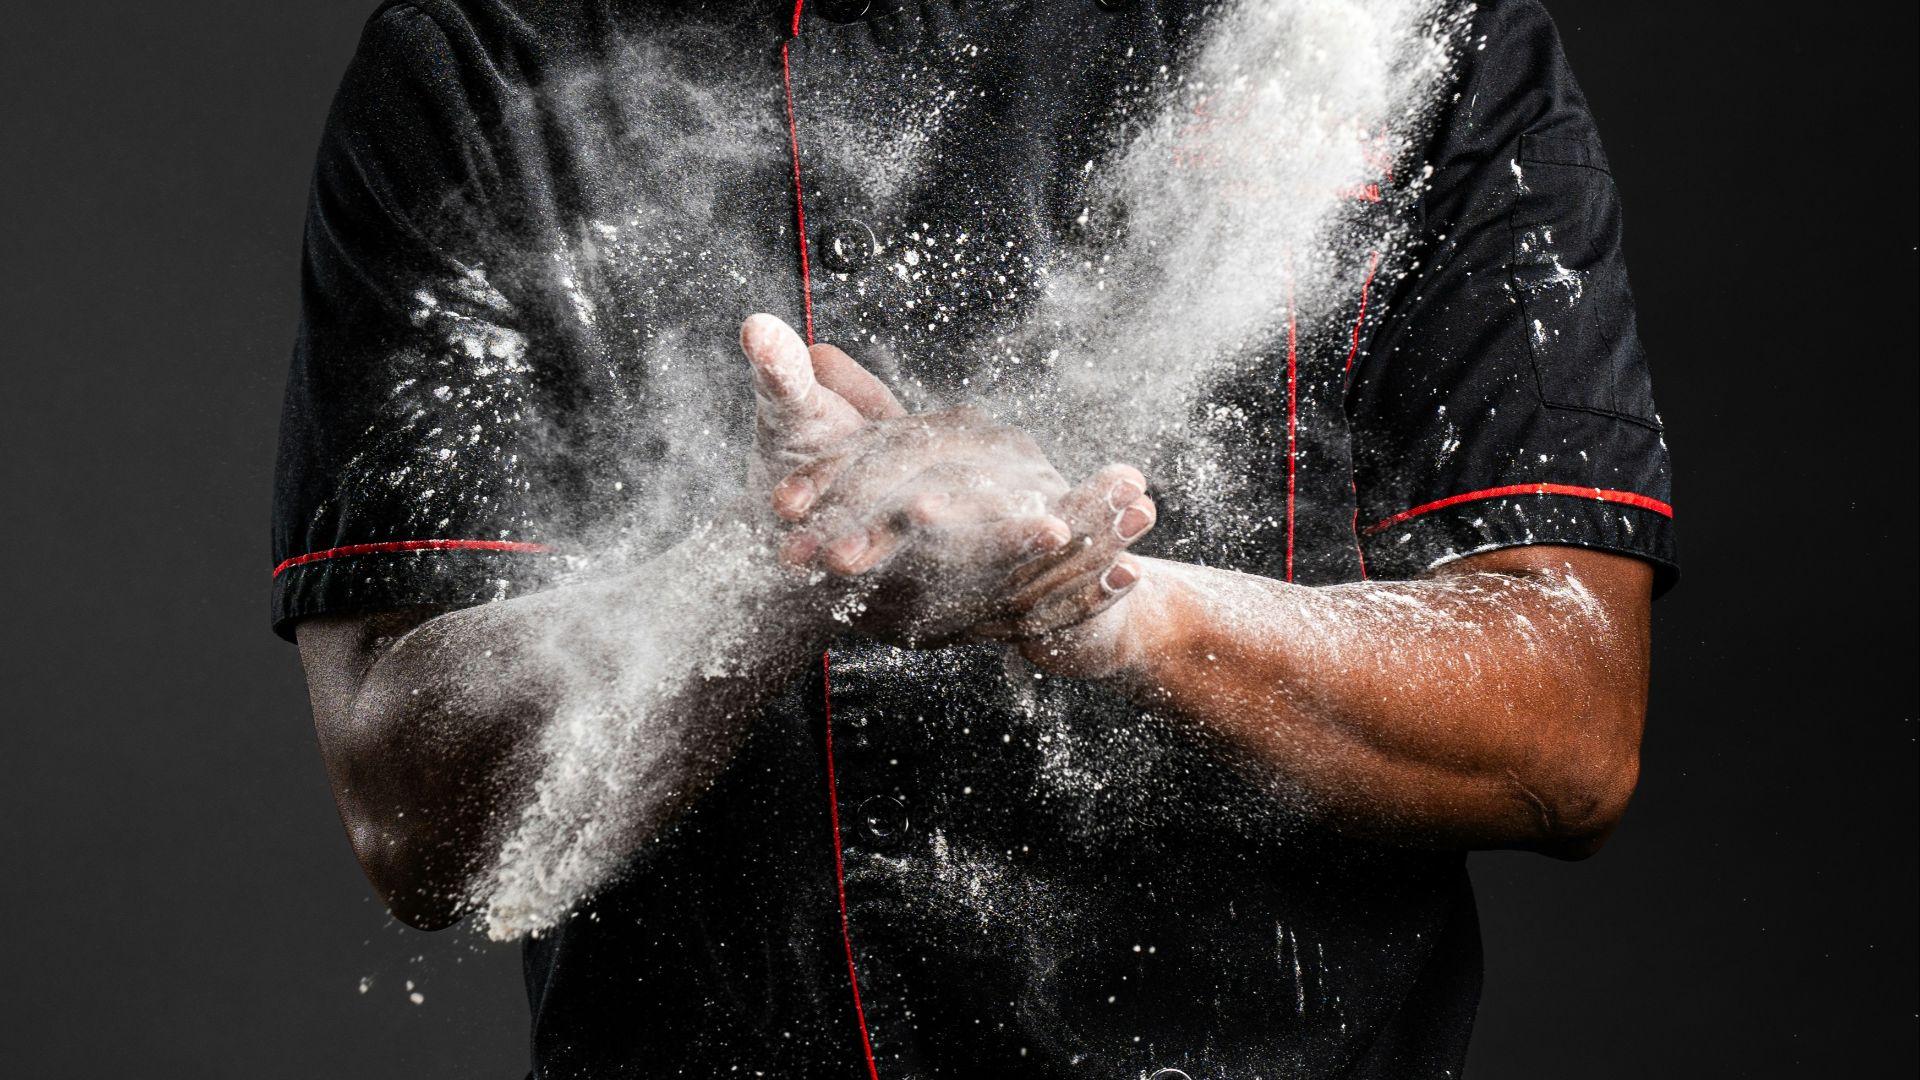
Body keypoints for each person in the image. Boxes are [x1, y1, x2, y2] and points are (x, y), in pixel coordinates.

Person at [273, 0, 1676, 1075]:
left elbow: (1566, 723)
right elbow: (416, 817)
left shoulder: (1379, 35)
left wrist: (1112, 608)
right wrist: (777, 571)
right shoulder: (489, 62)